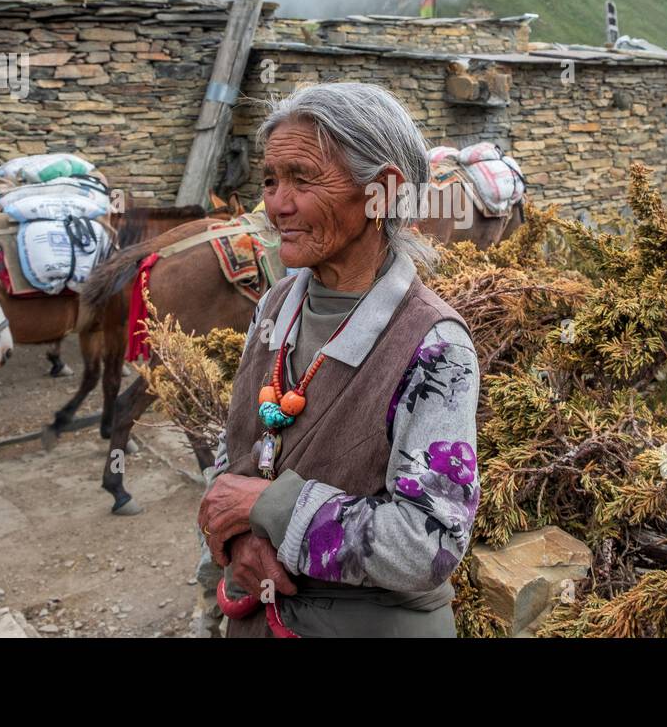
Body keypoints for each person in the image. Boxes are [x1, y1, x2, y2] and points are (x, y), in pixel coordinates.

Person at [197, 82, 480, 637]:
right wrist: (237, 538)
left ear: (383, 193)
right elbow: (233, 451)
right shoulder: (276, 307)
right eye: (272, 180)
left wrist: (270, 507)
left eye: (303, 179)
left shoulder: (434, 345)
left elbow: (430, 544)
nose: (276, 204)